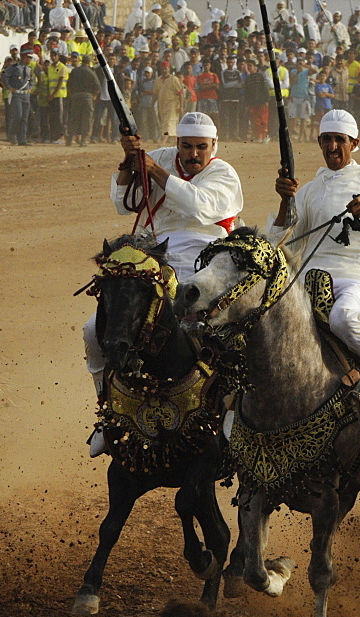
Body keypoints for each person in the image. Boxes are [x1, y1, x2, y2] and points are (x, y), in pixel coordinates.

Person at [85, 112, 243, 455]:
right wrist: (129, 162)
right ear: (177, 144)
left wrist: (153, 169)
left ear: (214, 145)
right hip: (155, 257)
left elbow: (198, 206)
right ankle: (108, 411)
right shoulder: (157, 157)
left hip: (208, 258)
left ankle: (234, 411)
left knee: (230, 331)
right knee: (93, 329)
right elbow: (120, 203)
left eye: (201, 147)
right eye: (186, 146)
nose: (193, 154)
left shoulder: (223, 173)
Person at [270, 109, 360, 466]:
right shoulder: (309, 191)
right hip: (307, 281)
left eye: (340, 140)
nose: (333, 146)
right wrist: (285, 200)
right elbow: (280, 240)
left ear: (355, 144)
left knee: (344, 320)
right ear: (319, 143)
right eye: (327, 140)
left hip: (359, 278)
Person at [2, 47, 34, 145]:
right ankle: (12, 135)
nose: (30, 59)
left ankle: (22, 139)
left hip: (26, 95)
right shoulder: (14, 67)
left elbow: (32, 80)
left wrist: (31, 87)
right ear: (24, 57)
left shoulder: (28, 69)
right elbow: (4, 76)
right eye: (29, 57)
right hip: (17, 95)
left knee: (24, 117)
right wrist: (9, 87)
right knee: (18, 116)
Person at [66, 54, 100, 147]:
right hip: (87, 97)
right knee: (87, 118)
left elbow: (68, 84)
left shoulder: (75, 71)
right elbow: (97, 86)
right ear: (89, 62)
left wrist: (72, 94)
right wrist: (94, 95)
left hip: (76, 96)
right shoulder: (91, 72)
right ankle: (83, 140)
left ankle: (70, 138)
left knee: (74, 117)